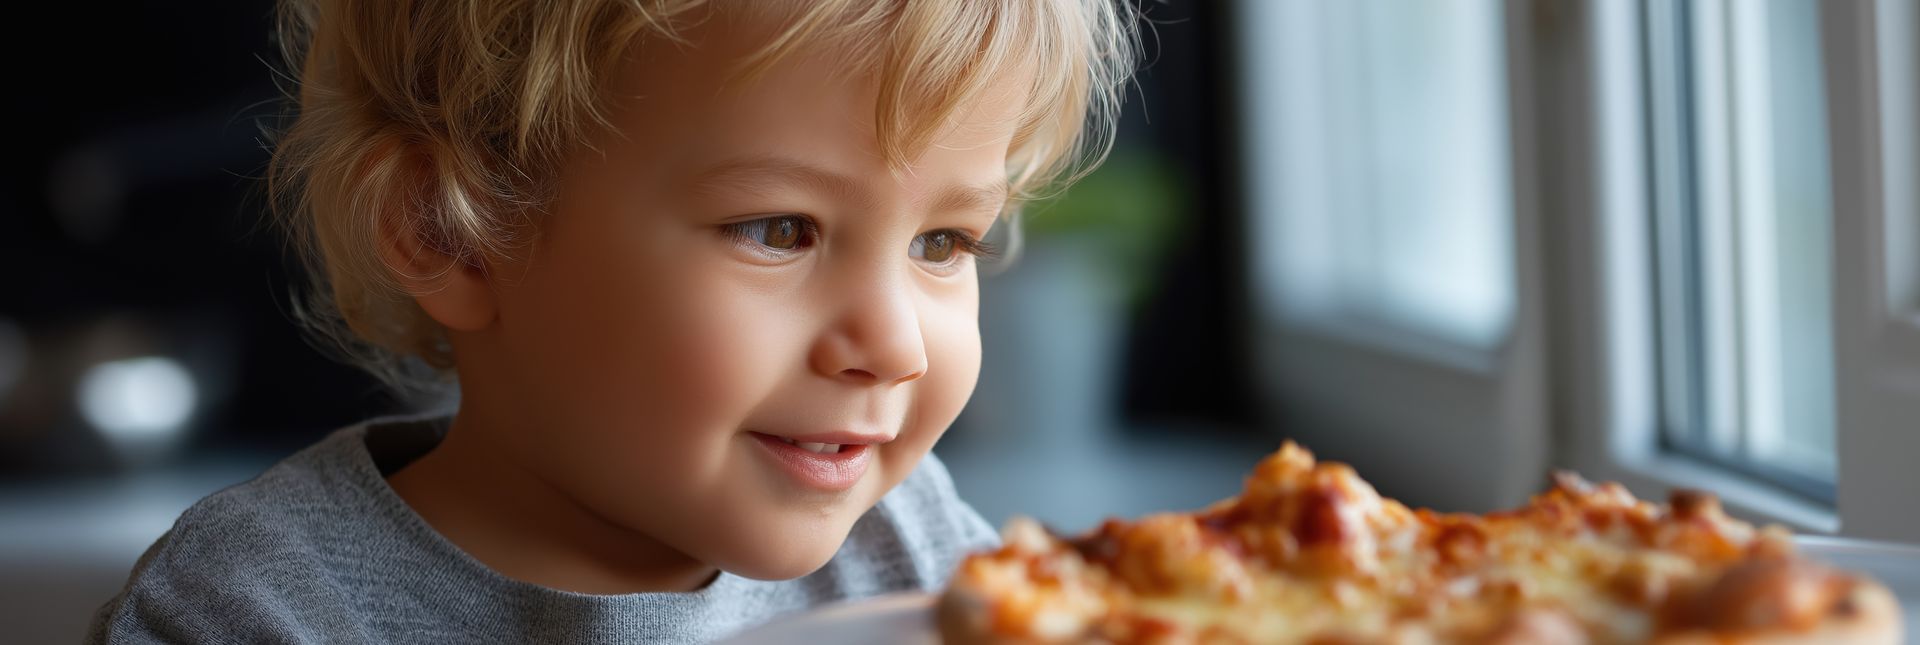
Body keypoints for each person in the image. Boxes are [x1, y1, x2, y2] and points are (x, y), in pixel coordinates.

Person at [85, 0, 1138, 642]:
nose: (897, 345)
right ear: (450, 230)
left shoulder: (927, 564)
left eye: (944, 244)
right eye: (780, 230)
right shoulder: (257, 611)